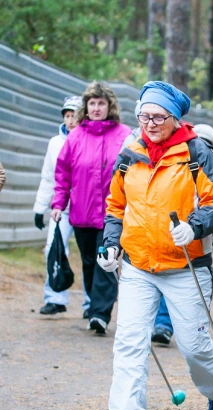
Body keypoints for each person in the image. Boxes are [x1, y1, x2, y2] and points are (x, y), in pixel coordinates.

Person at [99, 81, 213, 410]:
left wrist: (195, 225)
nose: (150, 123)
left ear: (175, 119)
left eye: (158, 116)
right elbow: (115, 206)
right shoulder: (129, 153)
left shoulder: (196, 153)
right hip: (139, 265)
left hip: (186, 265)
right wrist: (110, 244)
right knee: (128, 342)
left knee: (193, 346)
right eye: (144, 115)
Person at [51, 82, 131, 335]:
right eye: (92, 103)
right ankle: (94, 304)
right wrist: (57, 204)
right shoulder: (75, 136)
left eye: (101, 103)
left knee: (106, 262)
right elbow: (63, 173)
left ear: (110, 106)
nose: (96, 108)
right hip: (82, 214)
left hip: (112, 214)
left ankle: (100, 314)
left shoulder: (124, 135)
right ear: (86, 107)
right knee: (88, 263)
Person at [150, 123, 213, 347]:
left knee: (183, 275)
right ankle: (163, 324)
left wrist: (200, 224)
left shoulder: (212, 158)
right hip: (165, 225)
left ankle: (178, 326)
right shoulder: (176, 155)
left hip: (197, 230)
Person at [33, 96, 91, 316]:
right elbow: (49, 178)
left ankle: (91, 302)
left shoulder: (90, 140)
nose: (70, 120)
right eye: (67, 115)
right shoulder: (55, 143)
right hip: (62, 208)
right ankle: (55, 297)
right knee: (53, 248)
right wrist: (40, 208)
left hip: (86, 208)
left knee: (90, 255)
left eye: (74, 115)